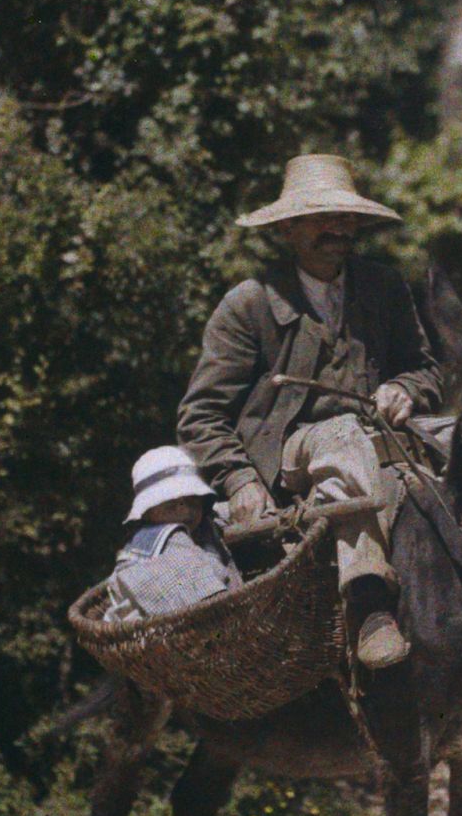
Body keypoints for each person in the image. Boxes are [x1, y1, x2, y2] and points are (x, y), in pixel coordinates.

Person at [177, 154, 442, 670]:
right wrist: (239, 480)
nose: (336, 229)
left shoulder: (383, 288)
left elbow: (425, 368)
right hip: (293, 455)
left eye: (344, 217)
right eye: (321, 217)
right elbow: (200, 415)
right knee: (340, 435)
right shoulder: (249, 305)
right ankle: (368, 603)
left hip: (384, 438)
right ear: (289, 228)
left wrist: (406, 389)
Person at [102, 446, 244, 624]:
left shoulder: (203, 525)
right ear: (148, 512)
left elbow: (225, 512)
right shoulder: (164, 538)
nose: (185, 509)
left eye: (193, 500)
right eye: (170, 504)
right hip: (191, 622)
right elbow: (205, 599)